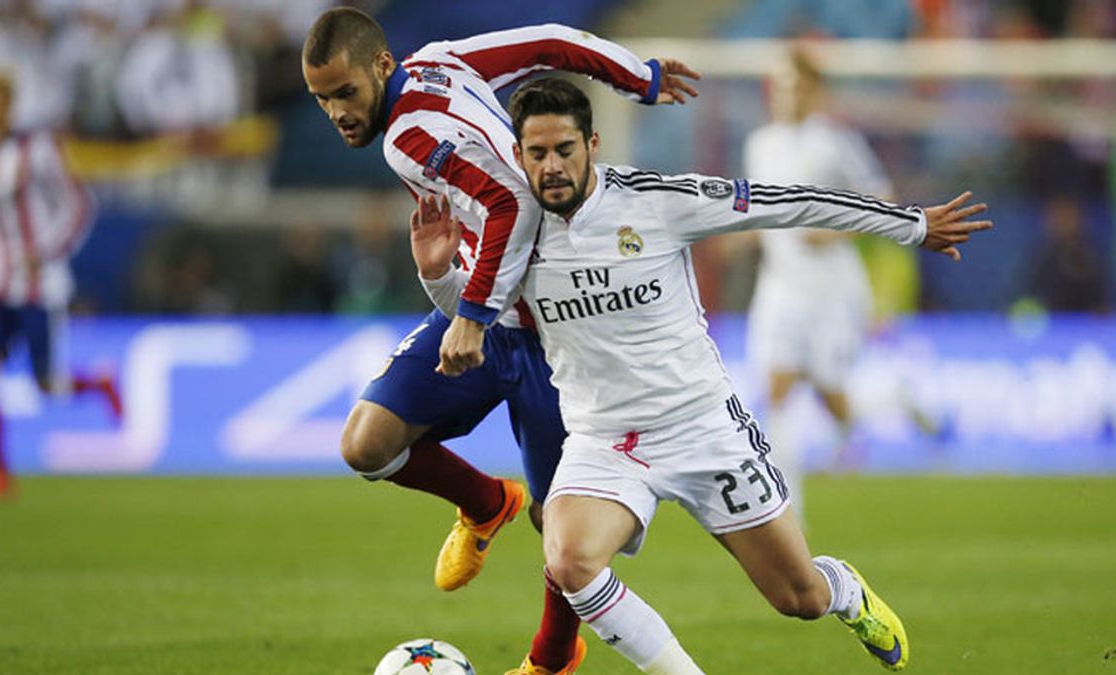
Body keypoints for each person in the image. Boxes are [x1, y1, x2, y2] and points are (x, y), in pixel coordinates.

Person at [411, 77, 991, 673]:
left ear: (593, 144)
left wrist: (911, 225)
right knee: (568, 559)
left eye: (565, 149)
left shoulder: (656, 201)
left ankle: (841, 588)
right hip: (602, 440)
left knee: (799, 598)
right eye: (537, 153)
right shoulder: (511, 236)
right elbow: (486, 317)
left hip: (701, 426)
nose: (552, 166)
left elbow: (786, 201)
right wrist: (438, 277)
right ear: (518, 156)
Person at [300, 8, 699, 674]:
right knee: (366, 444)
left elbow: (511, 202)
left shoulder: (407, 134)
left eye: (345, 93)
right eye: (321, 100)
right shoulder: (442, 61)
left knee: (562, 523)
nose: (337, 112)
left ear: (380, 66)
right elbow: (550, 41)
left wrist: (472, 314)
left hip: (552, 329)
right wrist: (642, 76)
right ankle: (486, 501)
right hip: (484, 307)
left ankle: (551, 656)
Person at [0, 68, 121, 502]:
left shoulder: (38, 151)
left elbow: (77, 206)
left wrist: (47, 250)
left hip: (38, 285)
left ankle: (101, 383)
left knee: (47, 385)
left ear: (10, 105)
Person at [743, 47, 908, 507]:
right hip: (779, 284)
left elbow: (884, 198)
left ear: (813, 90)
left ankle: (884, 408)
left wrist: (834, 233)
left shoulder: (835, 142)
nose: (785, 94)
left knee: (826, 386)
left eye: (795, 85)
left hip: (832, 287)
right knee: (776, 384)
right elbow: (764, 211)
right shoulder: (759, 143)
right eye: (779, 85)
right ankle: (783, 498)